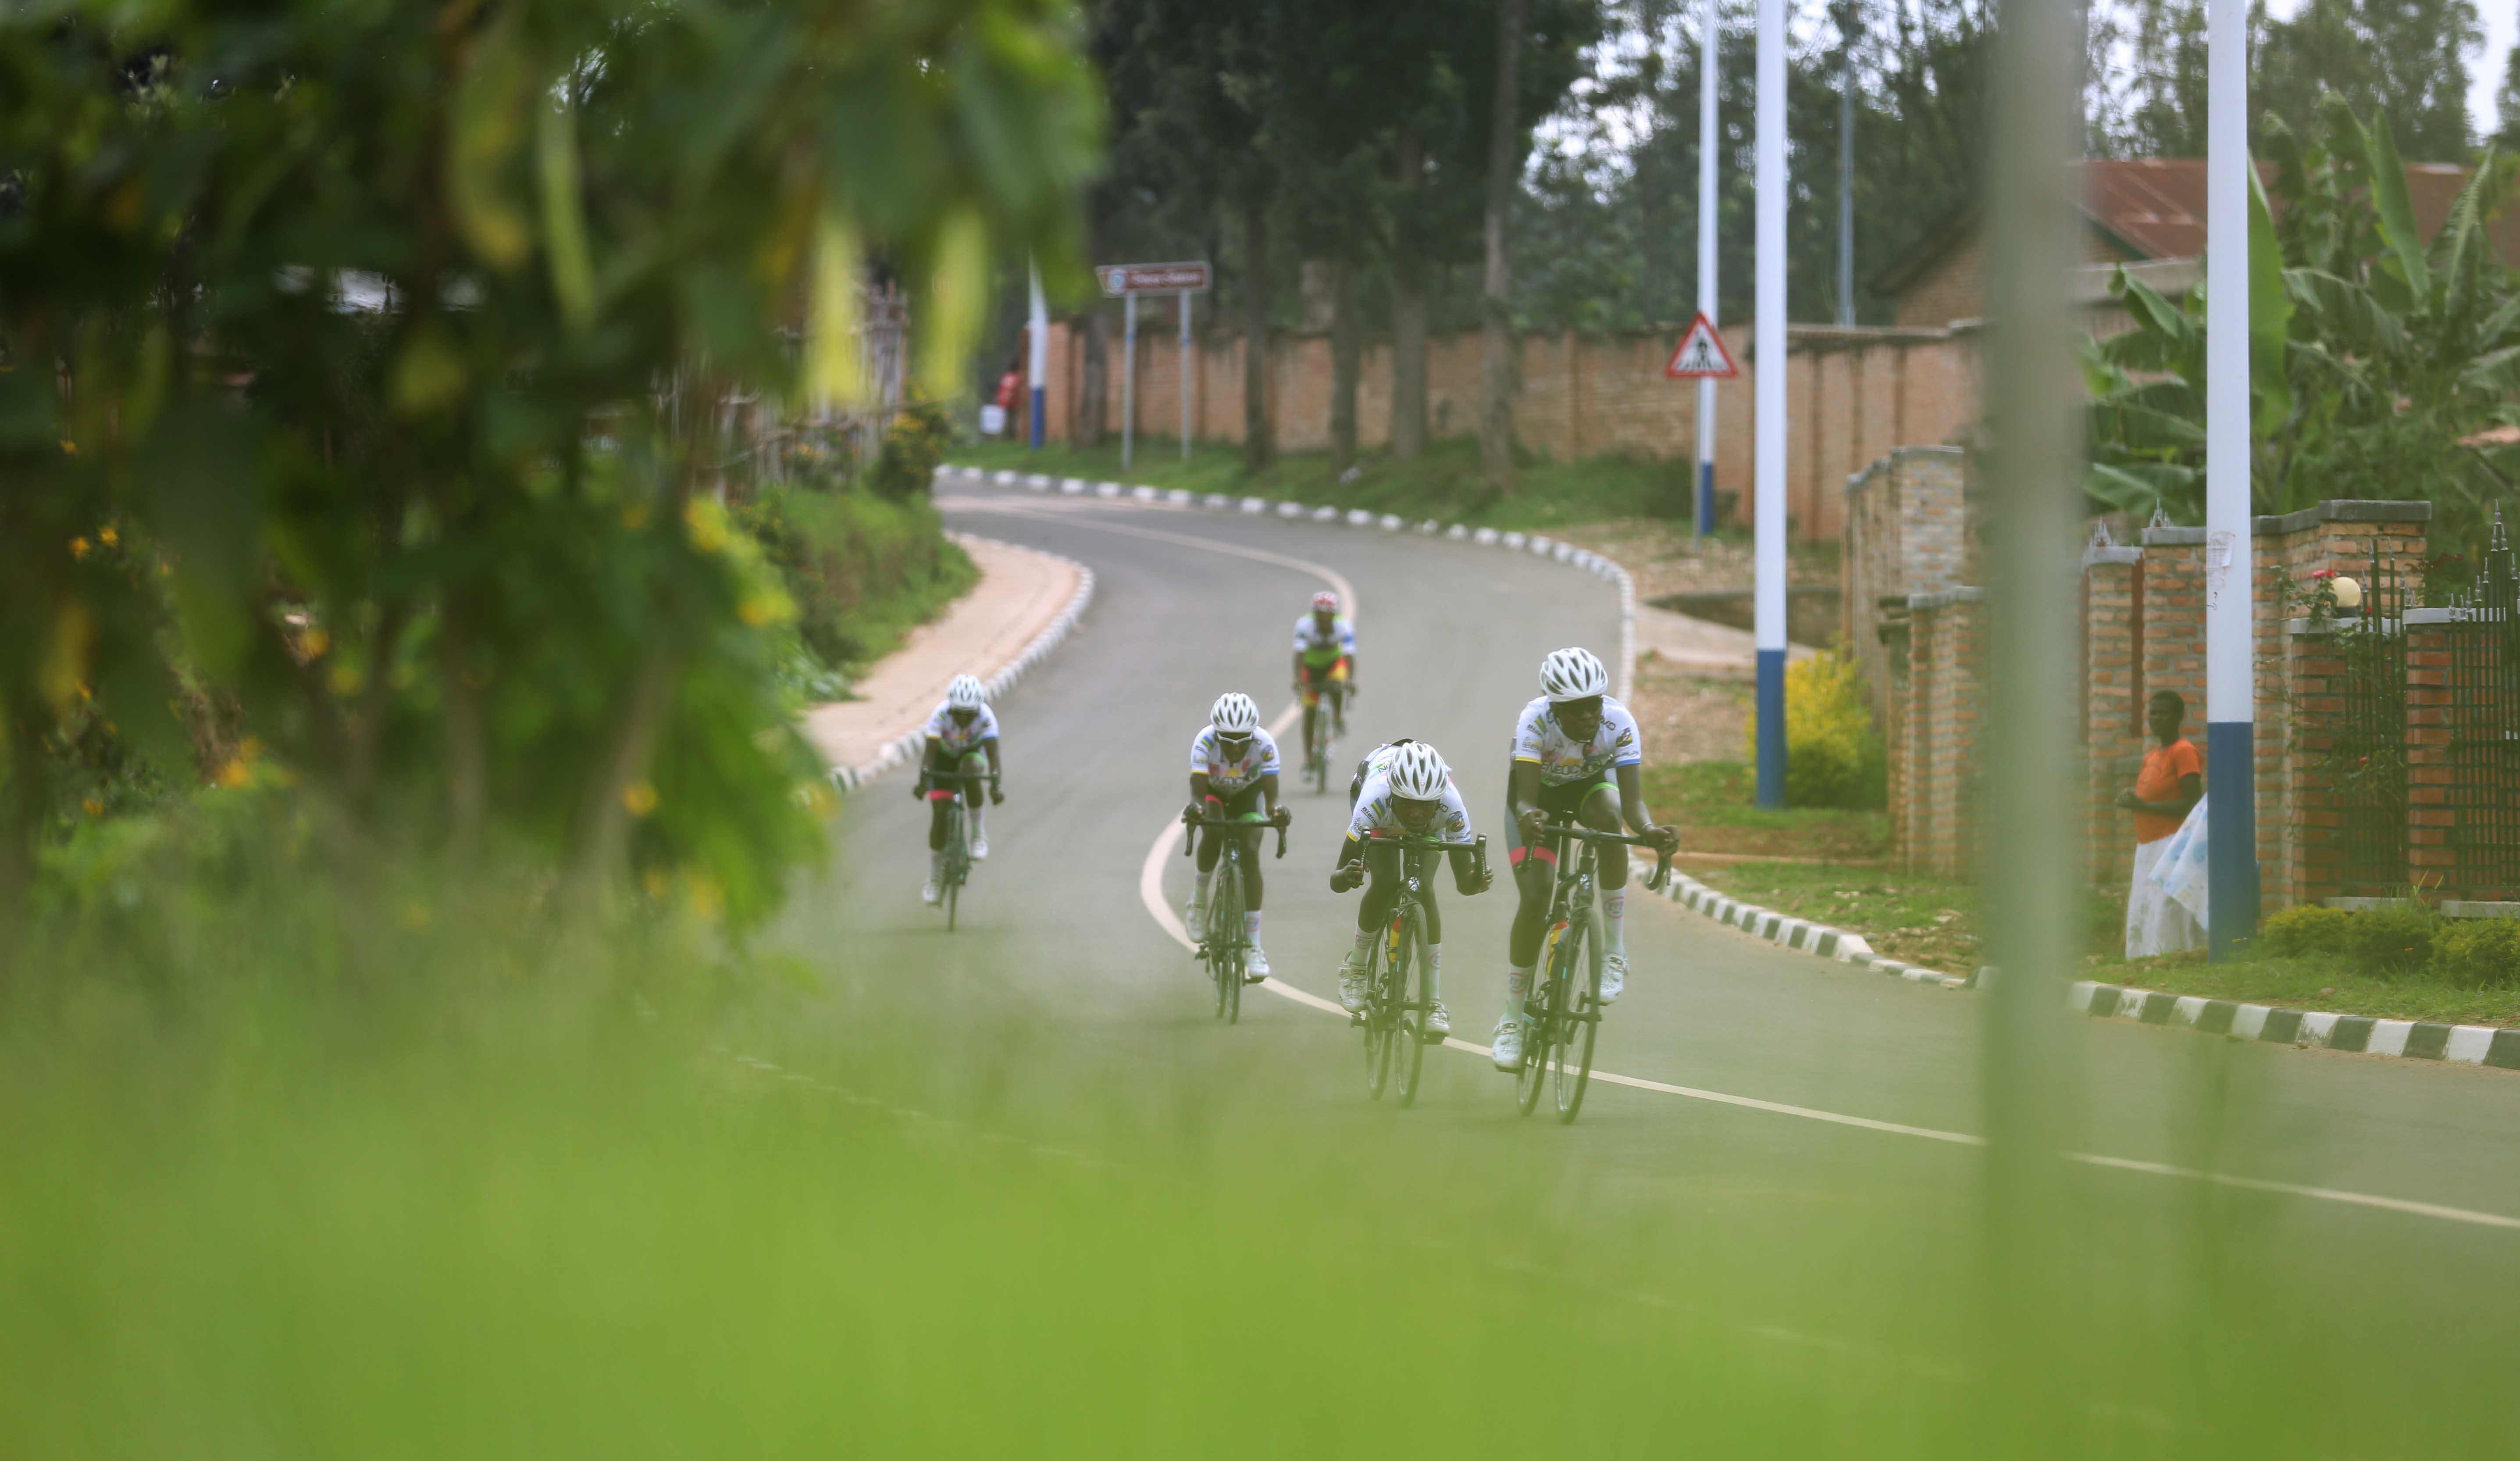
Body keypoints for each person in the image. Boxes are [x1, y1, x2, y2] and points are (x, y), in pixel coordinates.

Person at [1491, 647, 1678, 1072]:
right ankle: (1512, 1018)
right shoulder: (1533, 721)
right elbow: (1523, 799)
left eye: (1593, 705)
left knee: (1609, 819)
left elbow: (1633, 805)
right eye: (1575, 711)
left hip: (1590, 792)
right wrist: (1527, 816)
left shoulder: (1619, 722)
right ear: (1555, 709)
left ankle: (1613, 950)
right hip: (1536, 800)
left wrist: (1648, 830)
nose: (1587, 717)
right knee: (1537, 898)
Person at [1329, 740, 1490, 1037]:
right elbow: (1337, 881)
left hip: (1432, 831)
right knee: (1386, 880)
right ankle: (1356, 967)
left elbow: (1463, 883)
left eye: (1424, 807)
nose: (1416, 814)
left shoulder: (1451, 806)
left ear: (1438, 799)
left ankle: (1433, 1002)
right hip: (1382, 822)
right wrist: (1349, 874)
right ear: (1394, 794)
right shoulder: (1375, 799)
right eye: (1408, 804)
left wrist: (1476, 880)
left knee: (1424, 889)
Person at [1185, 692, 1290, 980]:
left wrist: (1276, 812)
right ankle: (1198, 900)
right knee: (1214, 830)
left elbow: (1270, 799)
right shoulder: (1204, 741)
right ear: (1216, 734)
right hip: (1213, 794)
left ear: (1252, 736)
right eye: (1227, 741)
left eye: (1241, 741)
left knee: (1250, 853)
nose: (1234, 748)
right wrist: (1196, 807)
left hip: (1248, 796)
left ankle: (1253, 946)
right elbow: (1198, 790)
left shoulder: (1265, 745)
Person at [2116, 689, 2206, 957]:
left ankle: (2171, 956)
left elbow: (2193, 804)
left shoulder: (2184, 751)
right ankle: (2144, 958)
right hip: (2147, 845)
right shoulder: (2152, 756)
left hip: (2171, 843)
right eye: (2153, 713)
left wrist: (2144, 807)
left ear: (2178, 717)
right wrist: (2131, 799)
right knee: (2146, 903)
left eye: (2164, 713)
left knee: (2166, 906)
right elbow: (2149, 795)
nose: (2157, 718)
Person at [914, 674, 1005, 904]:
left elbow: (993, 756)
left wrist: (995, 785)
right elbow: (930, 754)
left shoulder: (986, 717)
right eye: (959, 713)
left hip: (970, 757)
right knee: (939, 818)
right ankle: (934, 879)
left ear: (978, 710)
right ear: (951, 708)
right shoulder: (941, 714)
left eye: (970, 714)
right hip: (943, 759)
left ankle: (977, 835)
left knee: (972, 770)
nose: (964, 719)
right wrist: (924, 781)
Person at [1291, 591, 1357, 764]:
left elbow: (1349, 655)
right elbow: (1299, 654)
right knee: (1310, 713)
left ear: (1334, 615)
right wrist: (1298, 679)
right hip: (1311, 668)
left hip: (1333, 665)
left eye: (1328, 615)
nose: (1324, 619)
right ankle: (1309, 758)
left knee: (1337, 683)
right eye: (1320, 615)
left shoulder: (1344, 627)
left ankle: (1337, 717)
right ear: (1315, 614)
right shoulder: (1304, 625)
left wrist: (1350, 680)